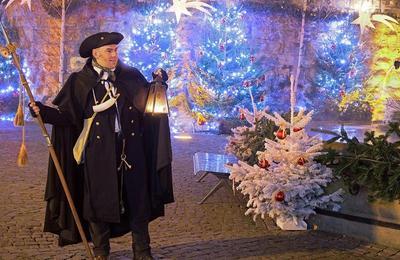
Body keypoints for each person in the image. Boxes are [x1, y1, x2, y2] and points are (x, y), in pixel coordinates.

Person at [29, 32, 174, 260]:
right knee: (98, 201)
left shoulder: (130, 76)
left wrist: (159, 84)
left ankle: (142, 251)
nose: (114, 54)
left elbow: (149, 103)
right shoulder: (80, 81)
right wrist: (43, 111)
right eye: (109, 50)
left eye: (116, 50)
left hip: (131, 149)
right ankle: (100, 251)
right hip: (98, 152)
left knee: (137, 198)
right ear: (95, 54)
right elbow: (68, 115)